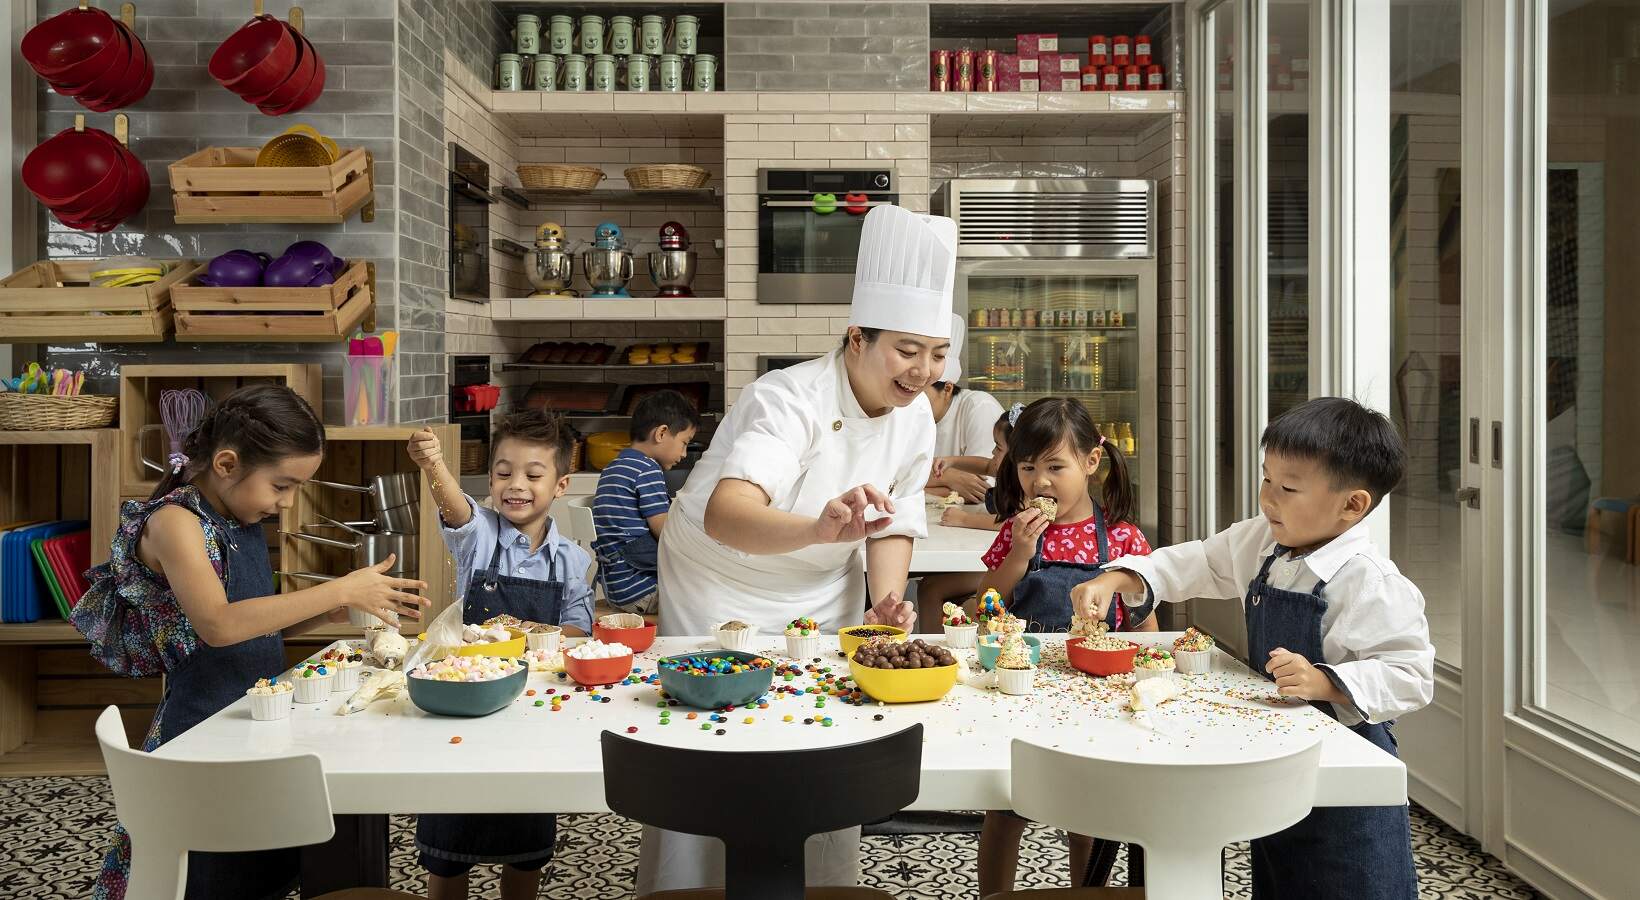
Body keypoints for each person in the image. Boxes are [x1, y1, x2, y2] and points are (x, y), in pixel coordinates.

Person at [638, 203, 955, 894]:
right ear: (856, 338)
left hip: (820, 584)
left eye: (937, 354)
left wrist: (885, 602)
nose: (922, 371)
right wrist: (818, 528)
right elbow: (728, 514)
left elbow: (894, 521)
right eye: (907, 350)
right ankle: (687, 890)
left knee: (825, 734)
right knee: (709, 738)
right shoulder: (788, 398)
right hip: (718, 578)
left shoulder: (915, 421)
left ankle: (820, 889)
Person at [1072, 396, 1434, 900]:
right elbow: (1199, 561)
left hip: (1345, 772)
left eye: (1288, 489)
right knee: (1281, 873)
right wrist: (1119, 577)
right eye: (1267, 480)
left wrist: (1326, 681)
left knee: (1348, 883)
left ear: (1352, 506)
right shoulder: (1263, 543)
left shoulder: (1370, 582)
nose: (1268, 500)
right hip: (1276, 759)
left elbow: (1410, 674)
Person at [77, 385, 428, 900]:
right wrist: (338, 589)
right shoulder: (176, 522)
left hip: (252, 722)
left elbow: (256, 622)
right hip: (202, 733)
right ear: (226, 464)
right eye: (281, 485)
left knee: (268, 868)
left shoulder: (237, 515)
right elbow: (219, 626)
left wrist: (328, 610)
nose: (287, 502)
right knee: (214, 878)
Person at [407, 409, 595, 900]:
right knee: (448, 852)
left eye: (533, 475)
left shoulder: (571, 559)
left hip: (531, 715)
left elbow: (579, 630)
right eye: (503, 472)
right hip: (462, 708)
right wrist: (434, 466)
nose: (516, 485)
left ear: (561, 485)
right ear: (490, 479)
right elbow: (456, 510)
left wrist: (529, 635)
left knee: (526, 847)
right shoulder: (482, 535)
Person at [972, 397, 1154, 897]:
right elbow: (985, 607)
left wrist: (1150, 676)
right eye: (1027, 467)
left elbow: (1144, 622)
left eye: (1056, 467)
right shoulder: (1015, 531)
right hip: (1021, 686)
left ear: (1091, 462)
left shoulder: (1122, 538)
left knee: (1085, 809)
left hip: (1096, 691)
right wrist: (1019, 554)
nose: (1040, 482)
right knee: (1005, 807)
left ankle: (1084, 891)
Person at [591, 389, 700, 614]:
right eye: (684, 443)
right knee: (714, 590)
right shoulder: (647, 469)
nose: (683, 454)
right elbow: (666, 531)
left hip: (616, 591)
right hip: (644, 591)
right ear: (661, 433)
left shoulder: (613, 467)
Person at [923, 314, 1004, 505]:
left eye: (921, 393)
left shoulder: (979, 407)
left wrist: (921, 485)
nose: (912, 401)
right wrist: (949, 477)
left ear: (947, 388)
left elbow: (982, 490)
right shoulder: (902, 414)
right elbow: (891, 479)